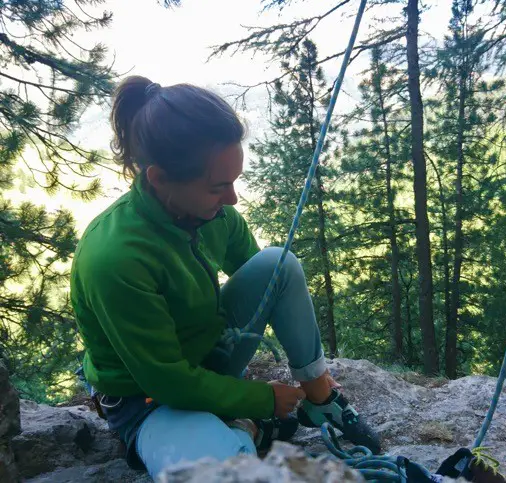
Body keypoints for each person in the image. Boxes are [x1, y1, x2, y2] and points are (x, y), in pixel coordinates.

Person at [70, 75, 381, 479]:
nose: (232, 199)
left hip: (209, 355)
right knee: (215, 472)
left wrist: (288, 383)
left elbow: (266, 286)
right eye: (218, 187)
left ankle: (320, 398)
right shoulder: (115, 259)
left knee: (278, 263)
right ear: (160, 179)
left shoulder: (213, 213)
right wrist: (261, 400)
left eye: (233, 182)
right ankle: (242, 428)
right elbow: (168, 382)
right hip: (149, 399)